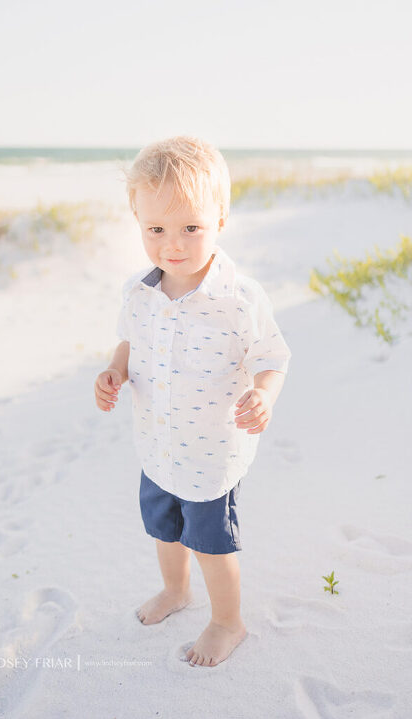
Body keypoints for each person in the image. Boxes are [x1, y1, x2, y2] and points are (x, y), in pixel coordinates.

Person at [94, 135, 292, 668]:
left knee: (210, 543)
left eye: (190, 228)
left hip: (209, 456)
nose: (172, 244)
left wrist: (264, 394)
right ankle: (175, 592)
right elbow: (128, 343)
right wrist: (114, 372)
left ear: (220, 220)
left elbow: (273, 357)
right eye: (155, 229)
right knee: (164, 529)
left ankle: (228, 622)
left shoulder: (239, 298)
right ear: (137, 219)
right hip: (157, 446)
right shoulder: (139, 292)